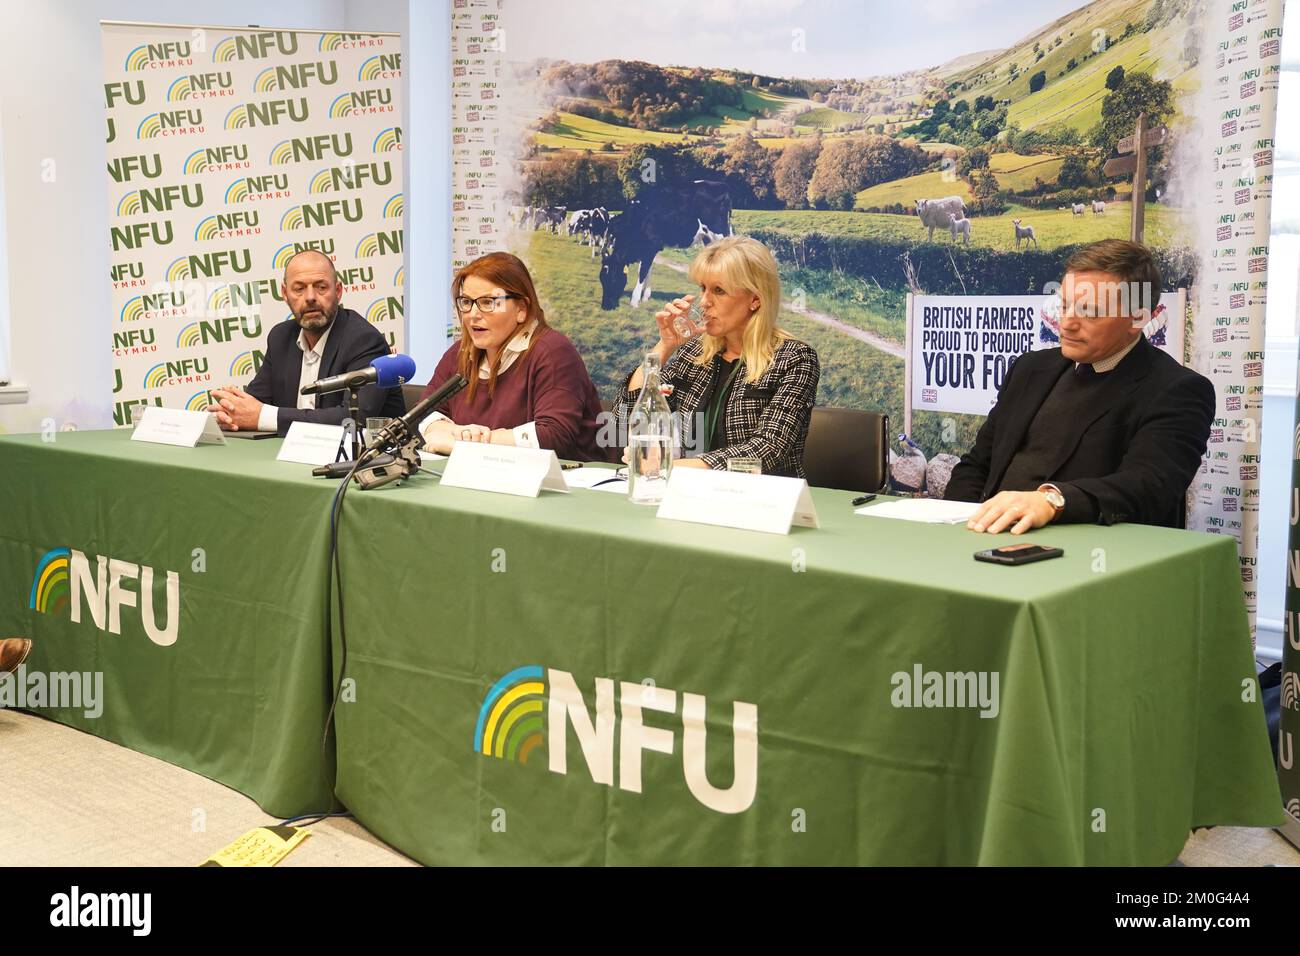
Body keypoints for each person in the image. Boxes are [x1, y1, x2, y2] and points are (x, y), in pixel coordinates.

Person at [945, 239, 1215, 534]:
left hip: (1089, 561)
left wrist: (1051, 501)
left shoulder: (1177, 390)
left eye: (1089, 311)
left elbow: (1148, 487)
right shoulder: (1030, 369)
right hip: (987, 543)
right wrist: (963, 524)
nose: (1067, 323)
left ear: (1138, 319)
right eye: (1064, 305)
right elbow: (976, 465)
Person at [614, 235, 819, 477]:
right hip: (689, 494)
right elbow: (625, 419)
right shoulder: (695, 354)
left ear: (755, 299)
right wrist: (664, 346)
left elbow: (766, 451)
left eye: (718, 291)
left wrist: (665, 467)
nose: (704, 302)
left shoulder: (794, 358)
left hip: (763, 503)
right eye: (703, 288)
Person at [417, 252, 609, 461]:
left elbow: (553, 436)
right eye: (466, 302)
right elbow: (425, 413)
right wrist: (446, 432)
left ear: (521, 309)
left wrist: (471, 442)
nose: (472, 314)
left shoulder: (553, 351)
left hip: (568, 486)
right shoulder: (460, 353)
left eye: (488, 302)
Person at [207, 249, 404, 435]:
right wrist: (232, 411)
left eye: (321, 287)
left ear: (338, 291)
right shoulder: (281, 337)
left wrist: (264, 417)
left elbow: (354, 419)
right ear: (285, 294)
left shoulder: (364, 340)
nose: (310, 297)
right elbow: (256, 402)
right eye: (299, 289)